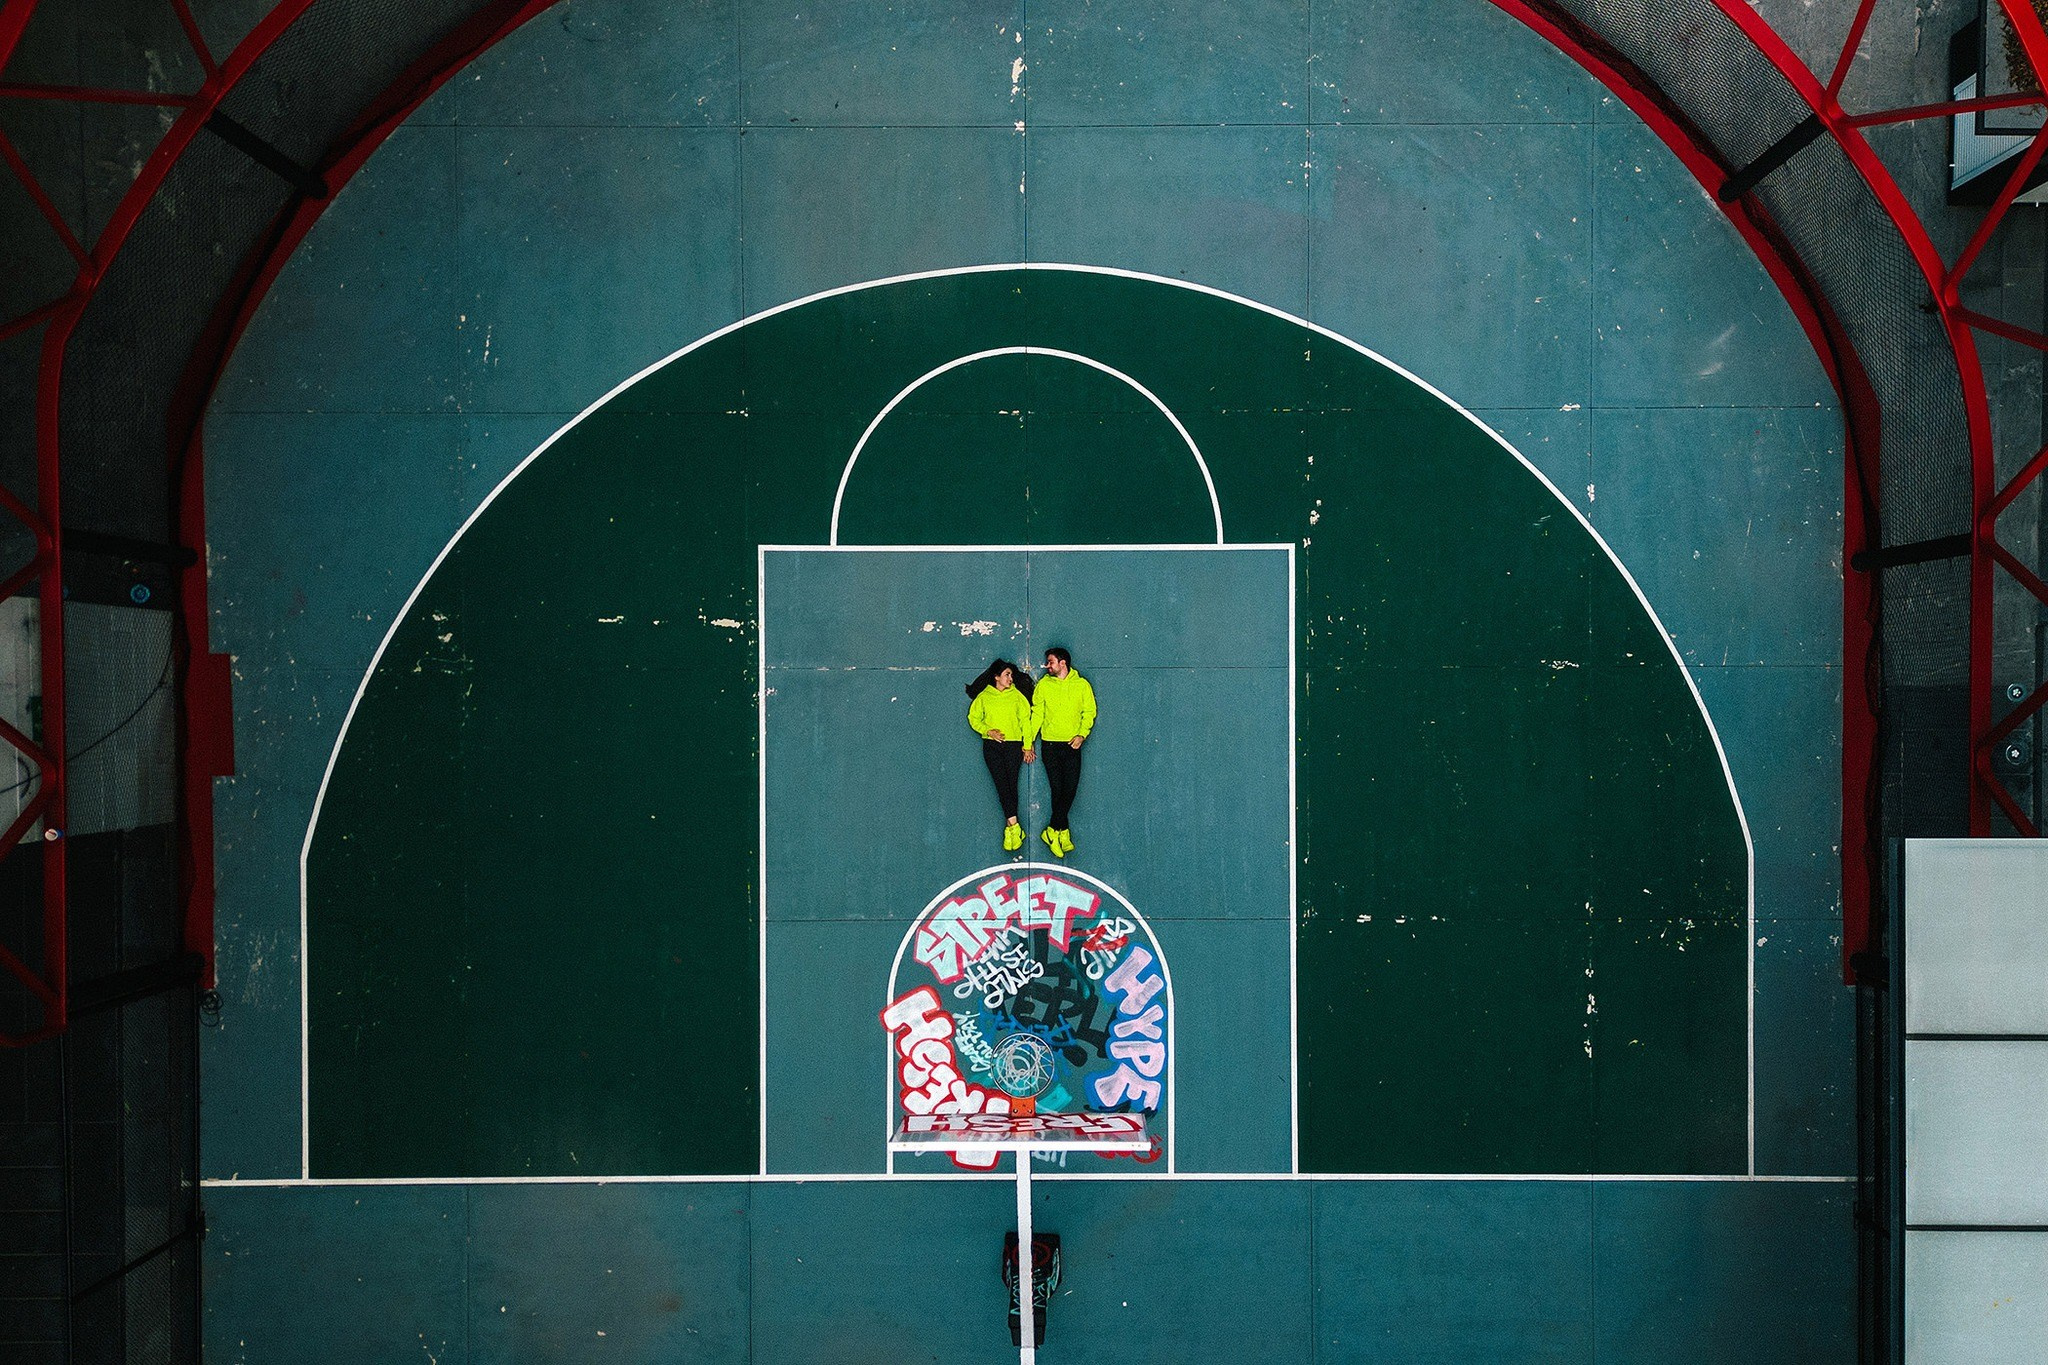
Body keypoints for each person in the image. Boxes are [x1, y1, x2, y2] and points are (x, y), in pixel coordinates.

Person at [1030, 646, 1095, 858]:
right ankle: (1062, 832)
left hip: (1072, 744)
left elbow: (1089, 711)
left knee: (1070, 790)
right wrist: (1028, 741)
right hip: (1050, 745)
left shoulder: (1082, 685)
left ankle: (1053, 830)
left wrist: (1082, 735)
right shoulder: (1043, 685)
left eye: (1050, 662)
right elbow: (1037, 714)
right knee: (1057, 790)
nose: (1047, 666)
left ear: (1063, 663)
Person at [966, 659, 1037, 852]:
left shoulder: (1018, 697)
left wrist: (1027, 746)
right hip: (992, 746)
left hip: (1013, 746)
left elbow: (1026, 722)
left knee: (1010, 785)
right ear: (997, 677)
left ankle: (1012, 827)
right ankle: (1013, 827)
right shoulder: (984, 697)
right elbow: (973, 718)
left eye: (1011, 675)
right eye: (1007, 675)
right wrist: (988, 731)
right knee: (1001, 784)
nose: (1010, 678)